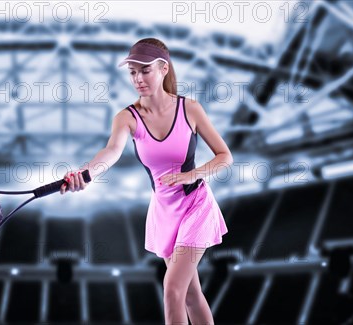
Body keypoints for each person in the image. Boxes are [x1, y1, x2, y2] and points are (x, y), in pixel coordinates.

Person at [60, 38, 232, 324]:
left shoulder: (189, 109)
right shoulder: (126, 117)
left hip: (196, 206)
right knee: (189, 294)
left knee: (172, 290)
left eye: (145, 70)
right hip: (164, 213)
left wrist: (192, 174)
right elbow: (111, 152)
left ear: (163, 68)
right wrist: (86, 174)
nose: (138, 79)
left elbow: (224, 156)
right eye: (132, 72)